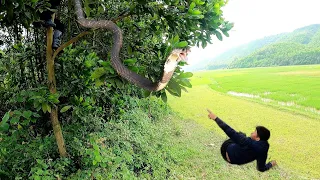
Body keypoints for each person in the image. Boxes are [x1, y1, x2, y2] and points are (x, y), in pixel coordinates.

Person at [207, 109, 277, 172]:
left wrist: (215, 118)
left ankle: (238, 138)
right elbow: (261, 168)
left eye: (254, 132)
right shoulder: (264, 149)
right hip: (237, 160)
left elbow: (230, 131)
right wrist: (270, 164)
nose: (252, 132)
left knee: (241, 134)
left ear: (258, 139)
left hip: (225, 151)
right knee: (242, 138)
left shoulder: (247, 142)